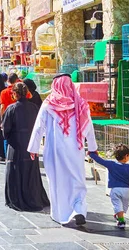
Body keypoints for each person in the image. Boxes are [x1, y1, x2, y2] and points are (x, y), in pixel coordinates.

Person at [27, 75, 98, 225]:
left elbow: (39, 127)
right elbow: (89, 128)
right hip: (75, 150)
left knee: (57, 181)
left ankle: (60, 214)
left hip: (55, 151)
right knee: (77, 180)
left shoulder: (49, 104)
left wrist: (33, 148)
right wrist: (92, 148)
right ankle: (78, 209)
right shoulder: (81, 104)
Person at [3, 82, 50, 212]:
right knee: (30, 172)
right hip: (31, 145)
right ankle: (33, 197)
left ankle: (17, 198)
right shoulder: (34, 108)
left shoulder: (11, 109)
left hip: (16, 145)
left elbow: (5, 130)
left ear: (15, 93)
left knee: (16, 170)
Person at [88, 145, 129, 229]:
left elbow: (100, 161)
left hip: (115, 190)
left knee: (118, 206)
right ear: (126, 156)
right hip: (126, 190)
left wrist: (92, 154)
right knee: (123, 207)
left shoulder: (111, 164)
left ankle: (120, 219)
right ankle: (121, 219)